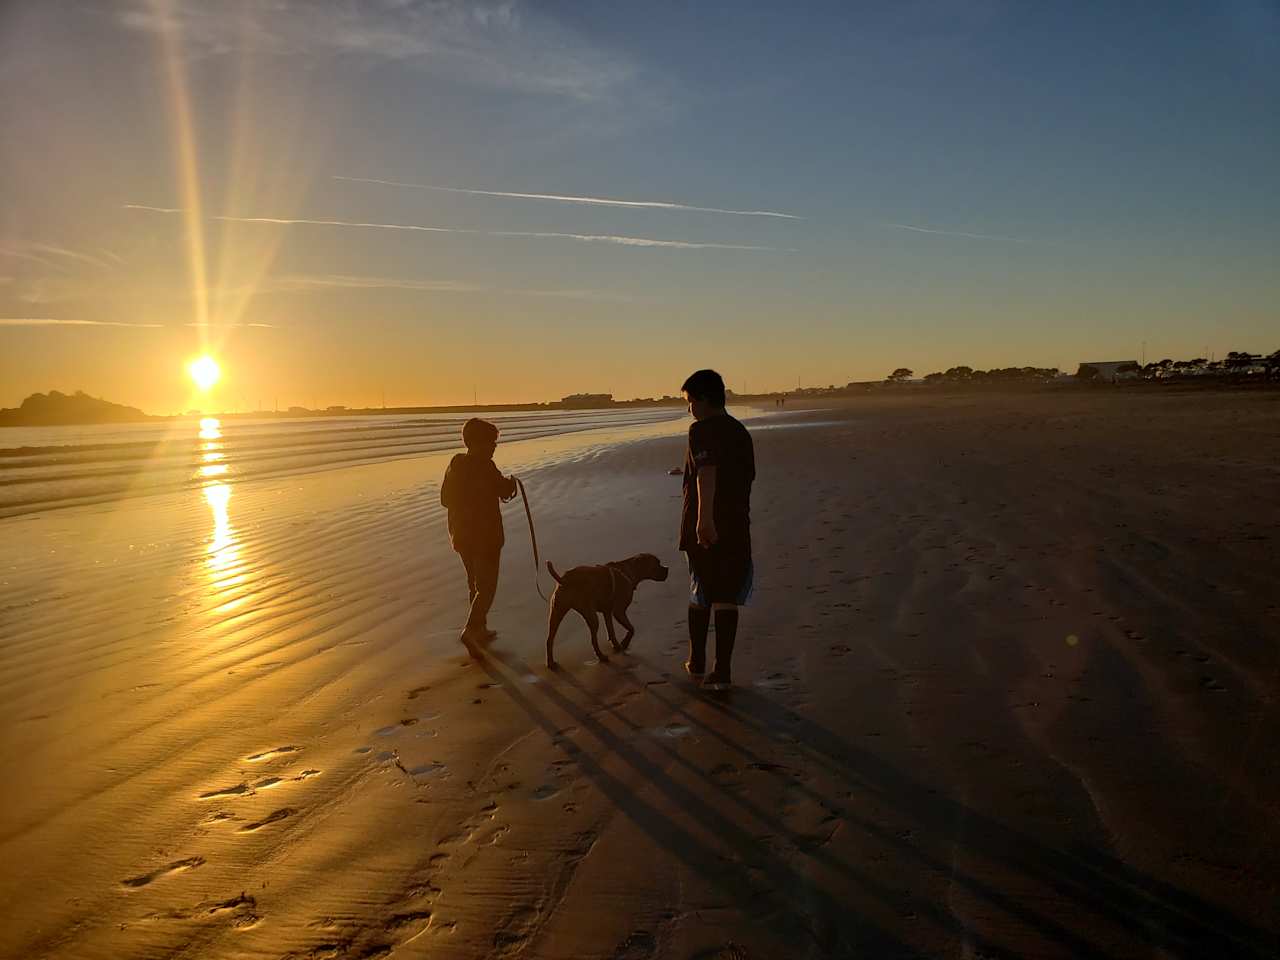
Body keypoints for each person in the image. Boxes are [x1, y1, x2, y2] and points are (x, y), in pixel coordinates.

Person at [679, 369, 755, 691]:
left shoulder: (701, 430)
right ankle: (721, 671)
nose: (689, 409)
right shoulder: (740, 431)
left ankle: (697, 660)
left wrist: (703, 520)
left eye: (690, 401)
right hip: (737, 524)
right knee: (726, 596)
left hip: (708, 525)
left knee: (701, 591)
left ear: (705, 399)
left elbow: (706, 473)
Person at [440, 418, 518, 649]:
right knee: (487, 587)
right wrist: (510, 484)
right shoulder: (485, 466)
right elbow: (503, 490)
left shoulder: (454, 465)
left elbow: (445, 500)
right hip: (485, 537)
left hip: (461, 535)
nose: (494, 446)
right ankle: (472, 629)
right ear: (477, 442)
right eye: (491, 442)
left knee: (474, 583)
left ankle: (480, 629)